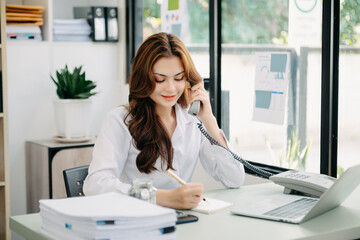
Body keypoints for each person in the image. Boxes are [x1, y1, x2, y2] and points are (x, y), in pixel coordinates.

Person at [83, 32, 245, 209]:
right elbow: (95, 184)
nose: (171, 88)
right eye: (159, 79)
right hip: (137, 219)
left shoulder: (193, 120)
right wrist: (160, 197)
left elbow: (234, 179)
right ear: (144, 78)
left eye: (178, 78)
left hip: (181, 220)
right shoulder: (120, 120)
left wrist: (209, 120)